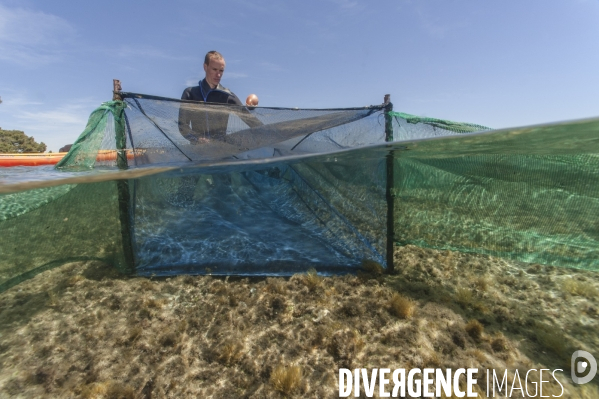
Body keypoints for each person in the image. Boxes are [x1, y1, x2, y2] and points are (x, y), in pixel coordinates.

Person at [178, 51, 262, 143]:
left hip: (221, 152)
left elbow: (251, 121)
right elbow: (183, 126)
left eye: (221, 71)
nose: (218, 75)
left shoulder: (228, 96)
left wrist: (271, 133)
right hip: (197, 153)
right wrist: (197, 139)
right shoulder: (190, 94)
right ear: (205, 67)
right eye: (214, 69)